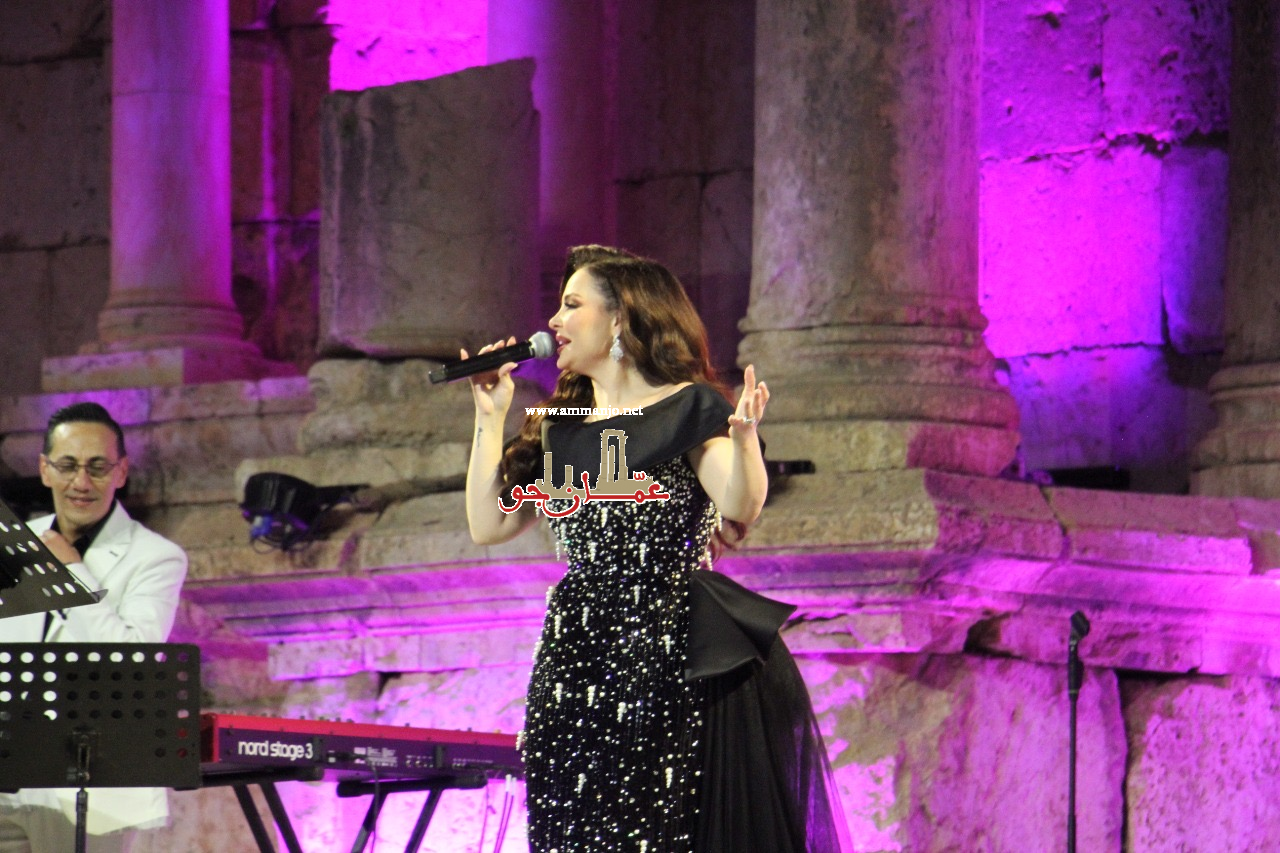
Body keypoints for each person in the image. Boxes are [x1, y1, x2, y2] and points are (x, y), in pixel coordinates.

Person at [465, 246, 849, 852]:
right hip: (575, 659)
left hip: (667, 650)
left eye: (571, 305)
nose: (554, 322)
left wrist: (745, 438)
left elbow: (739, 501)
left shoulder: (688, 408)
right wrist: (490, 419)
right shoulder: (562, 427)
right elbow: (489, 525)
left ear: (620, 317)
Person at [0, 402, 188, 853]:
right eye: (67, 466)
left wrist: (73, 572)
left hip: (89, 785)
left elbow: (132, 660)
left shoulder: (155, 557)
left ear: (121, 472)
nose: (81, 482)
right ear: (44, 470)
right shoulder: (14, 545)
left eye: (97, 467)